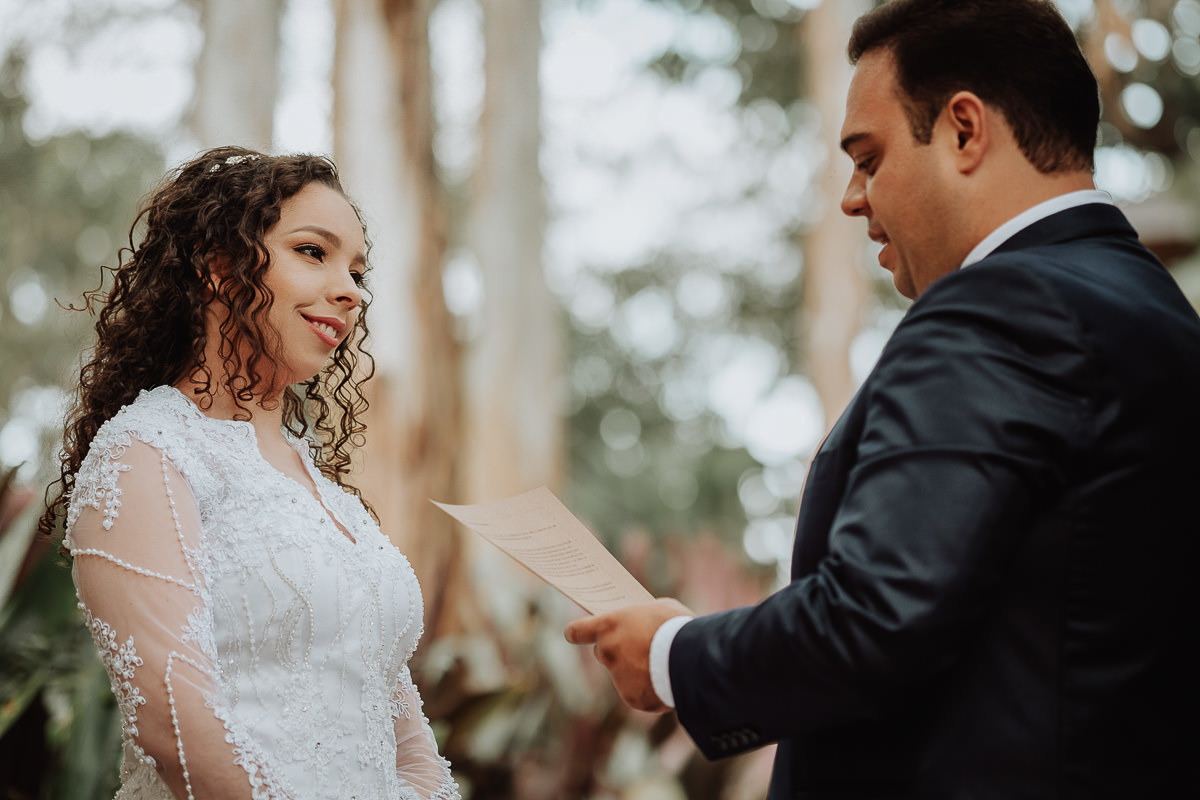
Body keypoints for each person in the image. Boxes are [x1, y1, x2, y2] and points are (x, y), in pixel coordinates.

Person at [566, 0, 1200, 796]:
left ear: (965, 130)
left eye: (868, 158)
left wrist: (671, 654)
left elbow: (876, 614)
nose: (852, 198)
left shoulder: (1000, 306)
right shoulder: (1158, 315)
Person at [40, 146, 460, 800]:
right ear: (219, 266)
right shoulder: (148, 451)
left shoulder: (323, 487)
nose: (351, 290)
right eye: (313, 252)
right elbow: (178, 731)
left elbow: (396, 718)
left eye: (357, 269)